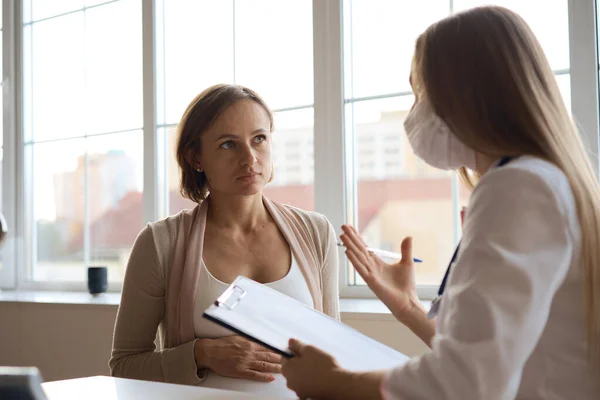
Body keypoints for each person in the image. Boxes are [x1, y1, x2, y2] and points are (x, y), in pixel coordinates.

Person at [282, 6, 600, 399]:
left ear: (467, 95)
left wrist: (336, 383)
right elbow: (494, 354)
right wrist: (408, 309)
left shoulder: (519, 187)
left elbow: (466, 383)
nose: (415, 114)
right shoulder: (543, 180)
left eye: (421, 94)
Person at [109, 84, 339, 399]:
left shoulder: (316, 232)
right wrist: (200, 354)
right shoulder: (160, 243)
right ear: (195, 157)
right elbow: (124, 365)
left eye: (259, 139)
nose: (250, 158)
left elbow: (335, 358)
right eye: (228, 144)